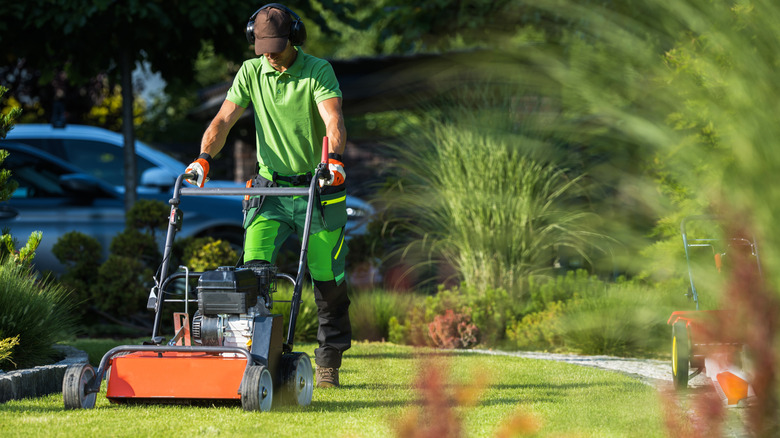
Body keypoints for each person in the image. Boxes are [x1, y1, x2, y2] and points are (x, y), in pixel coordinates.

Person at [184, 3, 350, 388]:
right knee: (252, 275)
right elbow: (224, 119)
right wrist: (204, 158)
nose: (271, 55)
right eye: (264, 48)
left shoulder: (317, 70)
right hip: (269, 189)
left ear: (294, 37)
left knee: (327, 279)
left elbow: (333, 117)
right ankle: (254, 356)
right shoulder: (251, 71)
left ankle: (328, 363)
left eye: (277, 46)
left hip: (318, 186)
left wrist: (336, 159)